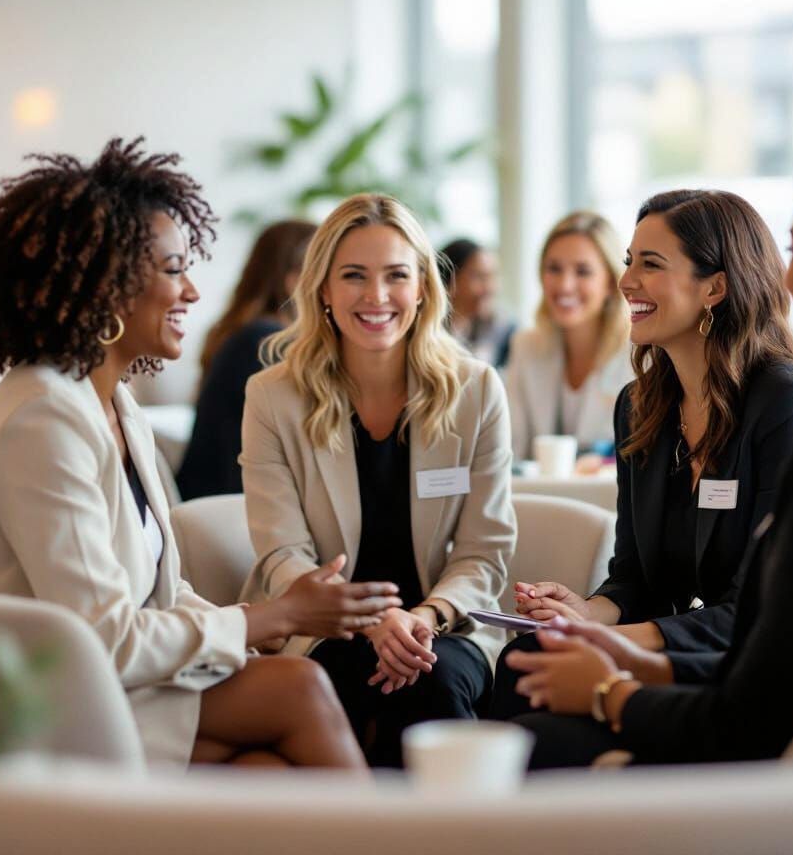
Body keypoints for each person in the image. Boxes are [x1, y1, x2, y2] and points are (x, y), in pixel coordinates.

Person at [0, 139, 402, 769]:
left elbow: (161, 591)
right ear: (107, 284)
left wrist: (251, 629)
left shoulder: (114, 403)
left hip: (107, 684)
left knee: (263, 770)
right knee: (299, 688)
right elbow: (102, 635)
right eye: (174, 268)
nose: (192, 292)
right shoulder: (41, 419)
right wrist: (270, 618)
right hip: (30, 702)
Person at [503, 122, 793, 767]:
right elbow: (644, 580)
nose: (788, 278)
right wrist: (601, 625)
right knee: (526, 668)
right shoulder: (642, 404)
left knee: (534, 735)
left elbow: (756, 695)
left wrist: (613, 687)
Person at [491, 190, 793, 721]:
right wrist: (588, 611)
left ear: (715, 287)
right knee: (525, 656)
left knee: (538, 681)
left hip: (734, 662)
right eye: (628, 262)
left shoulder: (784, 403)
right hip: (669, 643)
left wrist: (613, 640)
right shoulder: (640, 406)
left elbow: (763, 607)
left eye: (651, 264)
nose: (626, 282)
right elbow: (635, 575)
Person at [239, 194, 517, 767]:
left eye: (396, 275)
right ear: (323, 289)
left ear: (422, 287)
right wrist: (374, 623)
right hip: (324, 626)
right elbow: (283, 554)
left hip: (445, 624)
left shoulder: (476, 390)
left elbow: (483, 553)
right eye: (354, 277)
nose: (376, 297)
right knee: (334, 684)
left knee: (435, 685)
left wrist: (421, 618)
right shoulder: (273, 396)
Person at [177, 219, 316, 498]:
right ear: (294, 281)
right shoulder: (267, 343)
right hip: (230, 510)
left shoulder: (245, 333)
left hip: (216, 501)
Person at [504, 212, 631, 461]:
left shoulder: (640, 354)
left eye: (583, 271)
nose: (565, 285)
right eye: (554, 269)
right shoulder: (526, 346)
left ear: (610, 282)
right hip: (541, 497)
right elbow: (511, 449)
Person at [439, 238, 514, 369]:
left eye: (493, 276)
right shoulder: (424, 333)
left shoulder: (506, 332)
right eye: (479, 277)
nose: (490, 287)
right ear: (449, 281)